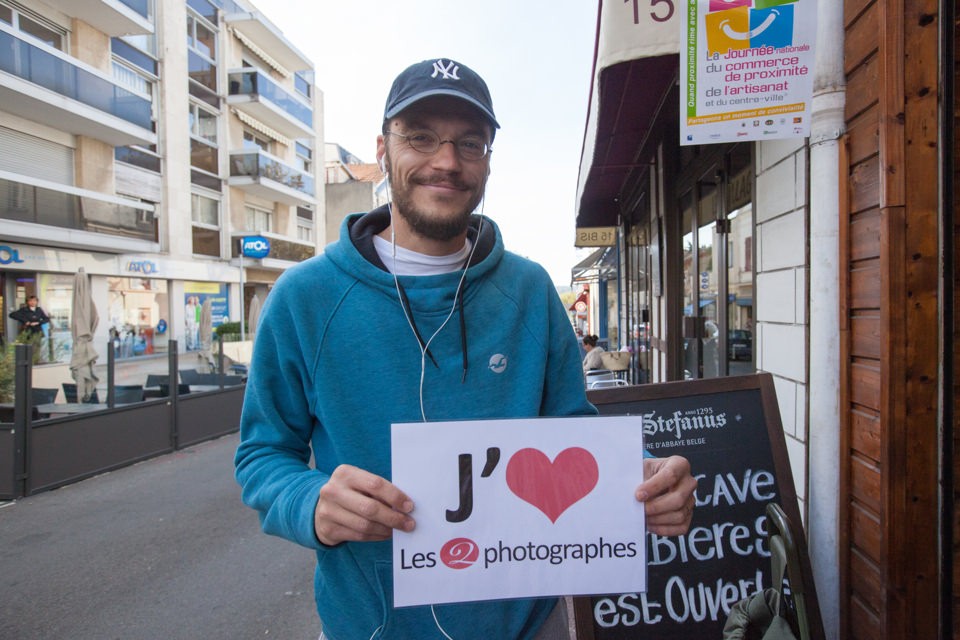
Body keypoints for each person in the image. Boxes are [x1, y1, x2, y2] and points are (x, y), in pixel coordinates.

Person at [235, 58, 697, 640]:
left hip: (532, 626)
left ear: (487, 161)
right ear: (383, 148)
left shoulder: (529, 292)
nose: (446, 161)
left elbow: (571, 439)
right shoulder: (304, 298)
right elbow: (262, 456)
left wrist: (644, 484)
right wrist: (310, 502)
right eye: (420, 136)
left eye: (469, 143)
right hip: (369, 628)